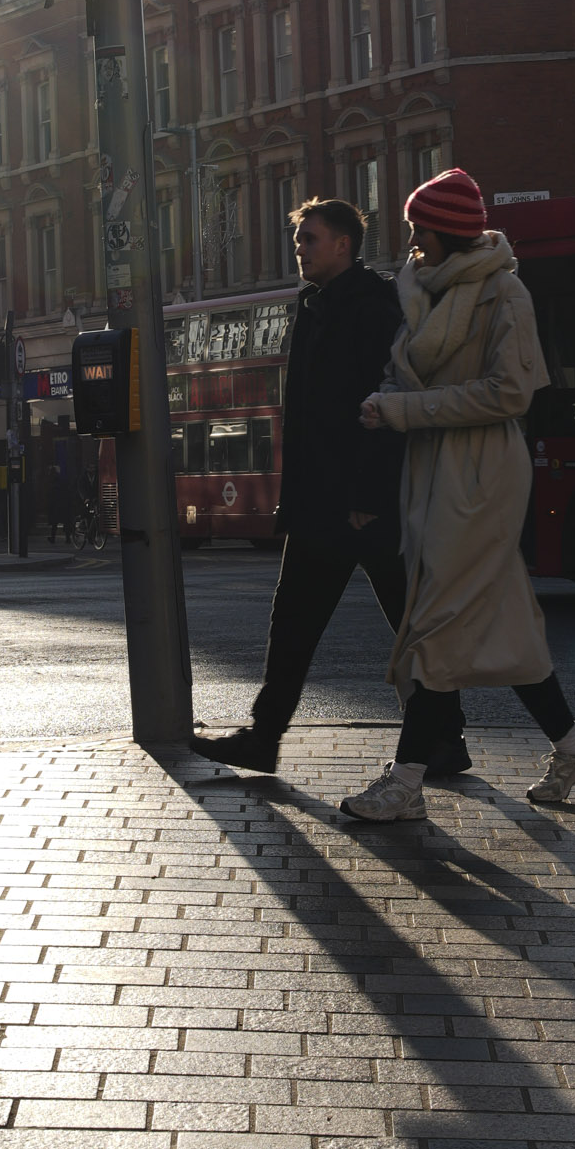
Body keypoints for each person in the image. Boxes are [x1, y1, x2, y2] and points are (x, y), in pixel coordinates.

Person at [340, 166, 575, 824]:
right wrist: (386, 400)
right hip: (432, 468)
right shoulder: (420, 290)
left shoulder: (504, 294)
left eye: (418, 229)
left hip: (482, 476)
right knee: (505, 626)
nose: (410, 241)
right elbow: (408, 375)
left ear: (447, 232)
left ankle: (405, 782)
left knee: (438, 623)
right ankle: (574, 750)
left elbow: (509, 394)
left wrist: (404, 410)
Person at [194, 196, 469, 781]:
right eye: (299, 239)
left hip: (361, 505)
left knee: (406, 625)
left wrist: (368, 497)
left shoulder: (371, 307)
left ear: (343, 244)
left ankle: (444, 738)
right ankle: (271, 736)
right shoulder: (315, 303)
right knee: (300, 622)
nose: (299, 249)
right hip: (322, 500)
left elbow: (386, 401)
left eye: (310, 239)